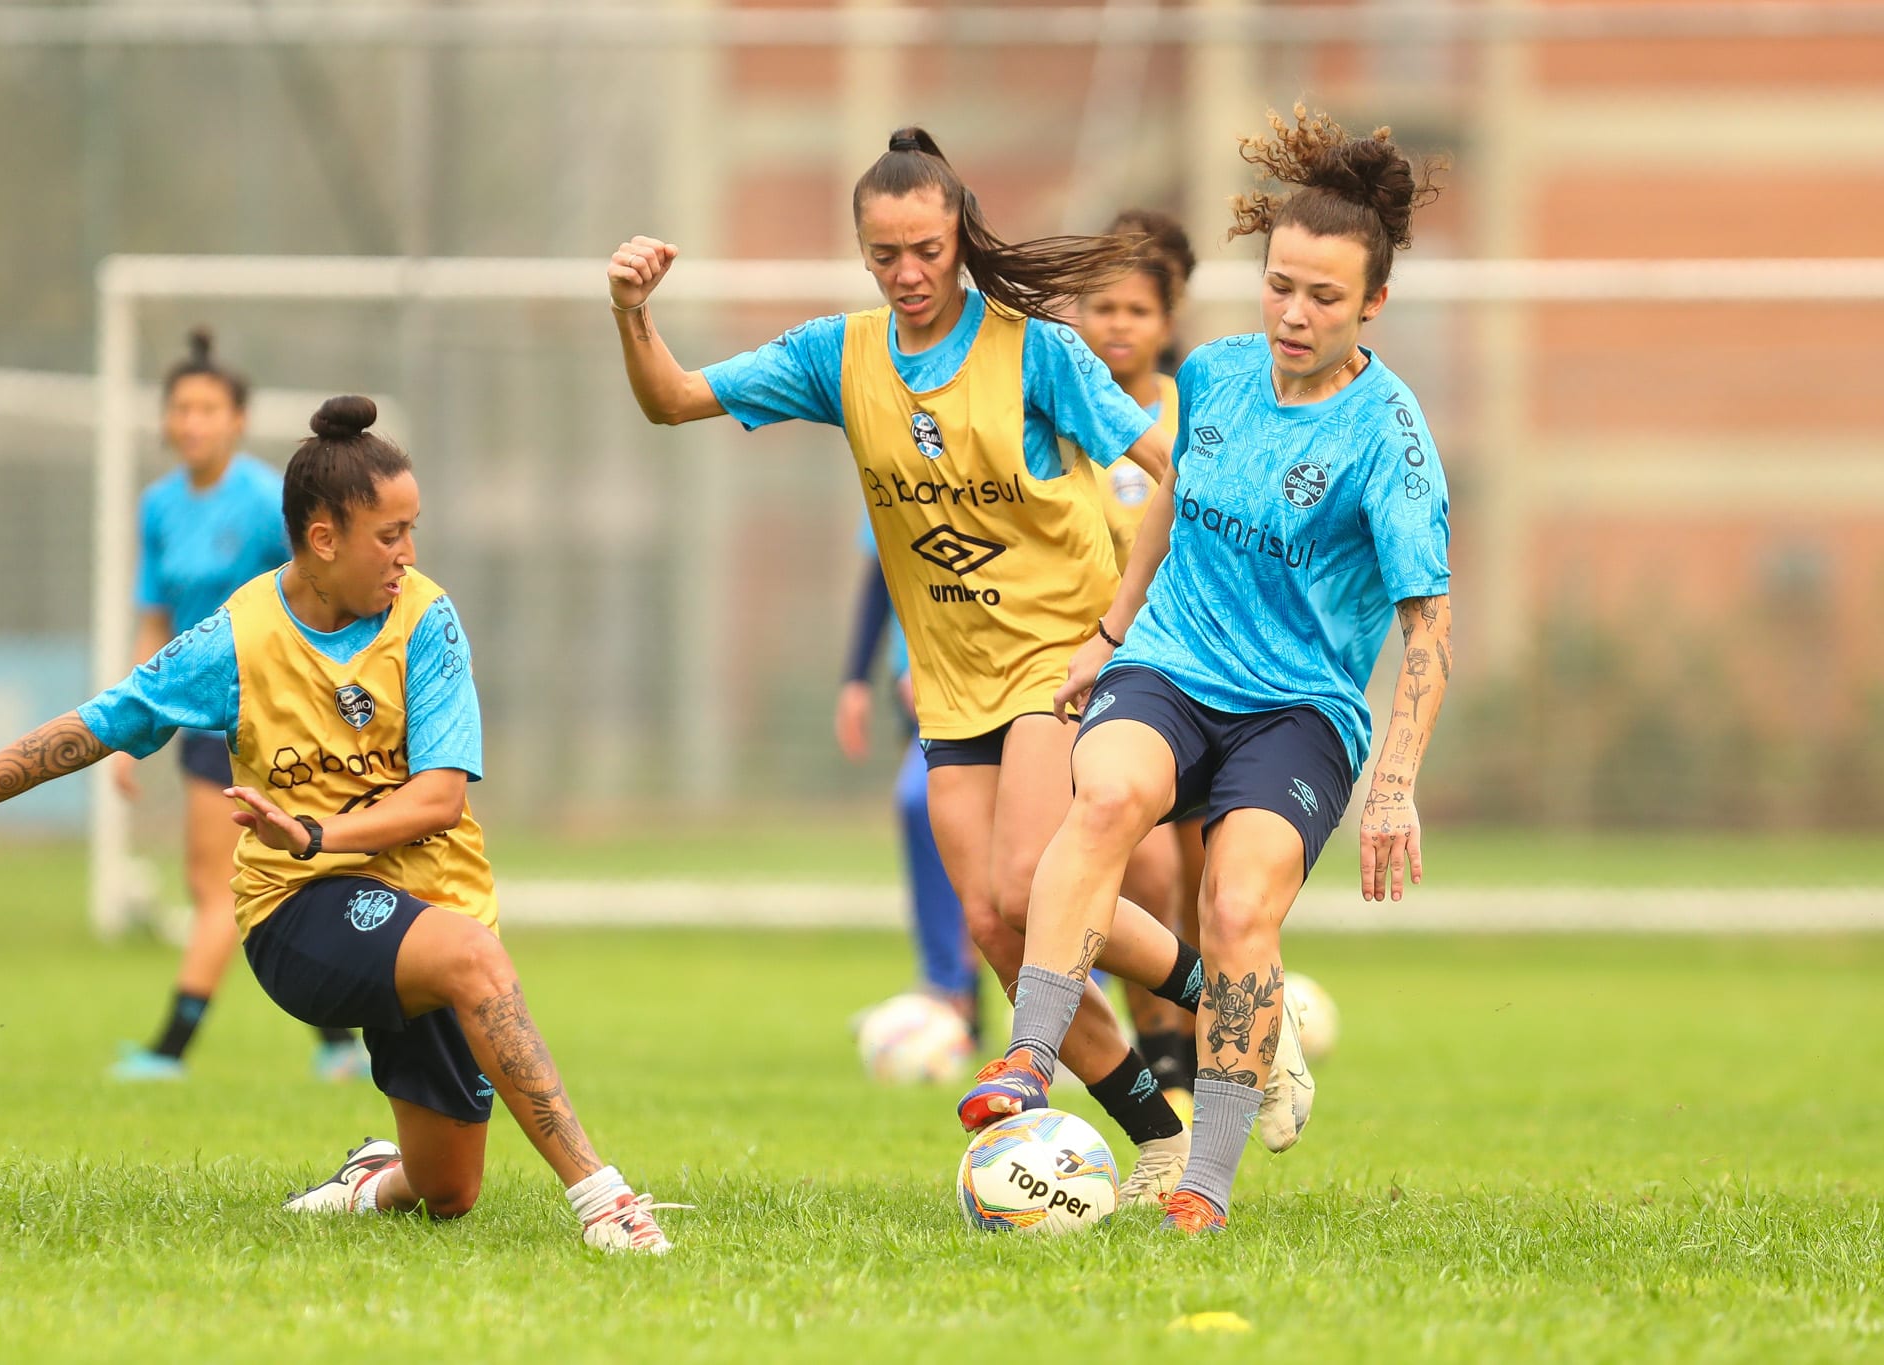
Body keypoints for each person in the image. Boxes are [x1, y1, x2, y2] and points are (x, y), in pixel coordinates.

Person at [0, 397, 678, 1253]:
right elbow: (91, 725)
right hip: (298, 909)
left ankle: (370, 1181)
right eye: (389, 535)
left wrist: (315, 828)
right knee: (471, 957)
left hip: (423, 901)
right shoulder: (236, 638)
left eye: (412, 529)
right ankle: (604, 1201)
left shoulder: (427, 618)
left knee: (448, 1189)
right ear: (323, 539)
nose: (408, 554)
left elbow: (439, 800)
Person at [609, 127, 1206, 1201]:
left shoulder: (1035, 351)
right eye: (884, 254)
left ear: (959, 236)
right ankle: (1156, 1133)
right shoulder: (835, 355)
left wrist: (1152, 614)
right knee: (989, 921)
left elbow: (1165, 466)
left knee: (1033, 885)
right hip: (951, 682)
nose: (908, 273)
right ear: (862, 252)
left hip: (1060, 659)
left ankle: (1226, 1002)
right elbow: (670, 399)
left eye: (926, 249)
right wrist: (631, 313)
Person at [959, 106, 1453, 1235]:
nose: (1292, 312)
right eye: (1278, 285)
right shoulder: (1218, 376)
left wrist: (1391, 783)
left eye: (1323, 297)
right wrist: (1107, 634)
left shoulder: (1390, 435)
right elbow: (1171, 503)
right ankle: (1029, 1063)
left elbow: (1426, 627)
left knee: (1238, 912)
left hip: (1299, 711)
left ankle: (1203, 1189)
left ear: (1372, 302)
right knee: (1108, 798)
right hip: (1173, 664)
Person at [109, 327, 365, 1083]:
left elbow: (318, 592)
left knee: (236, 881)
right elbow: (155, 619)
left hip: (270, 709)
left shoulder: (264, 501)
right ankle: (336, 1042)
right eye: (180, 408)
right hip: (199, 714)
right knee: (226, 880)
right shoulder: (158, 506)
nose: (191, 421)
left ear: (238, 420)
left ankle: (170, 1049)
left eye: (207, 408)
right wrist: (130, 730)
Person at [1070, 209, 1202, 1102]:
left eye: (1135, 309)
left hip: (1192, 665)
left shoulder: (1193, 412)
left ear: (1168, 316)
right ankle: (1158, 1068)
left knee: (1196, 882)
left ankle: (1202, 1052)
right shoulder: (1054, 403)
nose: (1116, 325)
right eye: (1099, 306)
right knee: (1140, 866)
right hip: (1084, 673)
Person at [834, 517, 978, 1034]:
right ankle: (949, 991)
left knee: (1026, 837)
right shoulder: (890, 443)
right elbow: (881, 574)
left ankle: (1073, 995)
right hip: (915, 691)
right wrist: (855, 679)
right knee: (925, 811)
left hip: (999, 679)